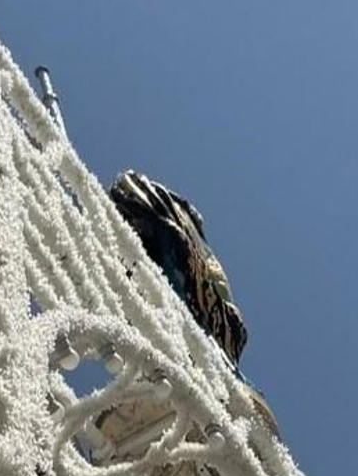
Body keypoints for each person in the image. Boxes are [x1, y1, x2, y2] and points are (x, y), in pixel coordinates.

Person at [108, 170, 280, 437]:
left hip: (194, 321)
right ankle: (178, 370)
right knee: (159, 307)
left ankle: (201, 375)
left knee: (174, 312)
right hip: (168, 273)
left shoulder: (185, 243)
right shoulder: (166, 229)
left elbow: (207, 288)